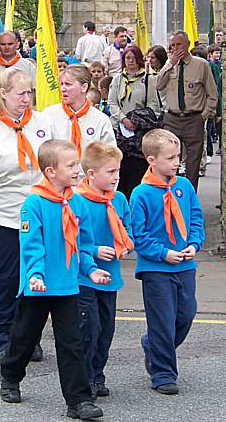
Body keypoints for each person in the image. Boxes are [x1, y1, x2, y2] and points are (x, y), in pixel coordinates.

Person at [0, 139, 110, 420]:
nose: (78, 169)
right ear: (51, 172)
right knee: (24, 337)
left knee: (71, 343)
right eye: (71, 165)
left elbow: (84, 244)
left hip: (67, 286)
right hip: (38, 286)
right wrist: (35, 274)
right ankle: (11, 376)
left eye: (77, 163)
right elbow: (31, 244)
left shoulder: (78, 202)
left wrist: (90, 269)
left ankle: (78, 401)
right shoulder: (33, 204)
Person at [0, 68, 52, 361]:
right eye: (20, 94)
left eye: (30, 93)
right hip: (4, 218)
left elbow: (58, 164)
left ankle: (30, 336)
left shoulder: (42, 124)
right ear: (3, 94)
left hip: (40, 218)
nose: (26, 99)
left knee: (37, 283)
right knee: (6, 282)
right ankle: (4, 338)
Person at [130, 129, 205, 395]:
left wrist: (194, 244)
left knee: (185, 315)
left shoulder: (184, 186)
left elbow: (195, 218)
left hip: (185, 266)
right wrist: (163, 253)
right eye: (171, 158)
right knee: (162, 321)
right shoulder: (141, 193)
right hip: (156, 268)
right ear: (152, 160)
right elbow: (139, 234)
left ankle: (153, 346)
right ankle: (163, 374)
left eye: (178, 157)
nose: (177, 162)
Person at [77, 142, 133, 399]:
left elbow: (128, 228)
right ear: (91, 174)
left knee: (106, 330)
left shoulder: (119, 199)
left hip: (110, 277)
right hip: (84, 277)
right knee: (89, 329)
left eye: (118, 171)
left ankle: (98, 374)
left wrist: (126, 246)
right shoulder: (77, 200)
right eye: (110, 172)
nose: (116, 177)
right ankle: (85, 377)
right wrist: (96, 250)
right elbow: (71, 239)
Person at [155, 31, 218, 190]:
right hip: (173, 118)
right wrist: (170, 64)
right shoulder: (170, 66)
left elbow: (212, 94)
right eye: (172, 46)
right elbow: (158, 85)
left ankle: (189, 198)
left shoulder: (201, 65)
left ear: (188, 45)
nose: (176, 49)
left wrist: (203, 116)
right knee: (169, 159)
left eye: (179, 45)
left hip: (193, 118)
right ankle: (170, 194)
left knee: (193, 164)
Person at [43, 65, 116, 177]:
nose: (63, 89)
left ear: (84, 87)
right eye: (61, 84)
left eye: (68, 84)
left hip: (90, 186)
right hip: (57, 184)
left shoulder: (100, 120)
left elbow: (110, 157)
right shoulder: (49, 115)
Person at [108, 44, 160, 199]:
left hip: (139, 130)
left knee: (137, 168)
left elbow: (152, 104)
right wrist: (123, 118)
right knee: (122, 165)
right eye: (127, 58)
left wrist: (138, 120)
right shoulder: (118, 79)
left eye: (133, 57)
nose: (130, 61)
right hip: (121, 129)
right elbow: (112, 103)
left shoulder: (148, 79)